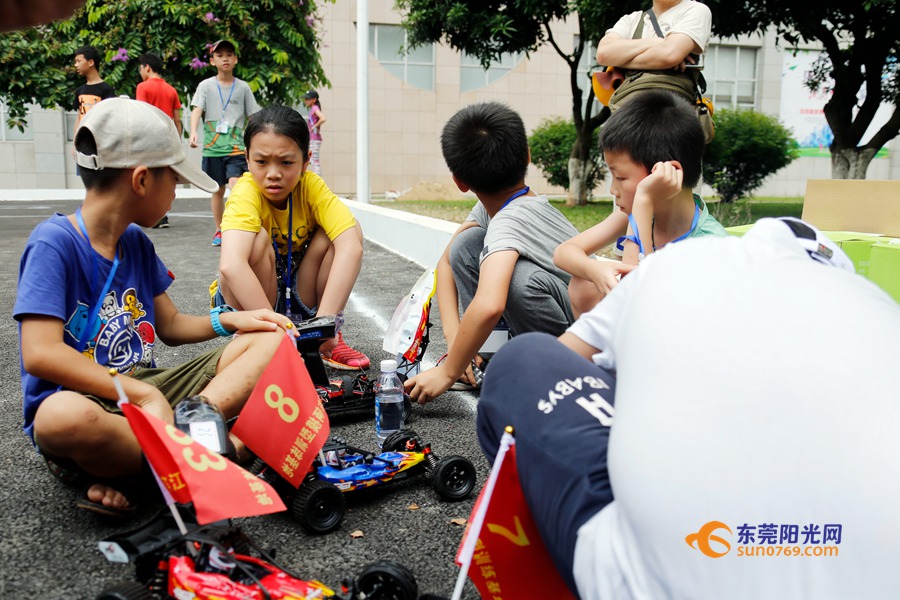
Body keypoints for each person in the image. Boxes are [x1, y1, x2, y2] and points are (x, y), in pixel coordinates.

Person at [477, 217, 900, 599]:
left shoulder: (678, 263)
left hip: (663, 576)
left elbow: (564, 359)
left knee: (524, 361)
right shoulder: (877, 310)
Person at [14, 98, 297, 518]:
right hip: (92, 403)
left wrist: (233, 319)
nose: (177, 193)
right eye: (176, 181)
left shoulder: (136, 244)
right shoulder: (53, 242)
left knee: (274, 341)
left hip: (148, 397)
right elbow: (40, 354)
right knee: (59, 418)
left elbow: (170, 324)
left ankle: (169, 456)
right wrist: (144, 394)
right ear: (142, 180)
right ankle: (210, 452)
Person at [404, 102, 580, 404]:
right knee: (466, 245)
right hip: (565, 308)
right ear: (527, 156)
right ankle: (492, 360)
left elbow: (489, 305)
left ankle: (550, 375)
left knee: (516, 282)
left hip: (583, 334)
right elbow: (446, 261)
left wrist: (447, 371)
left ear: (459, 181)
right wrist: (458, 343)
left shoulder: (509, 221)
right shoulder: (502, 205)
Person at [211, 105, 370, 370]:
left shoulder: (311, 186)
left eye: (286, 162)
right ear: (248, 159)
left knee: (347, 229)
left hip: (296, 291)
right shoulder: (244, 193)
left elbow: (351, 247)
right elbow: (231, 265)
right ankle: (256, 341)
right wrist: (279, 333)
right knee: (256, 240)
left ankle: (325, 339)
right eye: (262, 162)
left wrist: (325, 326)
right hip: (250, 301)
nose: (273, 173)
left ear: (306, 161)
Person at [554, 89, 726, 317]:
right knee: (584, 283)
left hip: (666, 336)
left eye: (621, 178)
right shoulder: (636, 213)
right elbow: (564, 252)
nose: (613, 190)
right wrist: (595, 270)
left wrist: (643, 201)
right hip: (632, 333)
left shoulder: (710, 244)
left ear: (665, 172)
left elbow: (636, 300)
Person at [189, 39, 261, 247]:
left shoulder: (243, 88)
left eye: (229, 54)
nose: (225, 58)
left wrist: (257, 141)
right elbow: (197, 110)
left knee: (235, 186)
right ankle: (220, 230)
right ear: (212, 61)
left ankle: (236, 226)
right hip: (212, 149)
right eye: (220, 55)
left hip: (237, 148)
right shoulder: (205, 86)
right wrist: (193, 132)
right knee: (217, 191)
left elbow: (253, 116)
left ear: (235, 59)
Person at [595, 0, 712, 109]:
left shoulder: (696, 10)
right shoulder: (631, 20)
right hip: (628, 107)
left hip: (675, 111)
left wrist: (621, 61)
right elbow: (603, 54)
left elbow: (669, 55)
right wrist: (655, 42)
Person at [136, 51, 183, 229]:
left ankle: (152, 215)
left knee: (149, 177)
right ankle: (164, 215)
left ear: (147, 67)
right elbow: (177, 120)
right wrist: (177, 141)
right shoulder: (171, 89)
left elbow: (142, 113)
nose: (140, 72)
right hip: (168, 139)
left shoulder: (143, 87)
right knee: (165, 177)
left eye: (141, 68)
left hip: (149, 137)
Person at [72, 46, 115, 159]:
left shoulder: (106, 89)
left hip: (100, 145)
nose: (76, 65)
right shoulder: (80, 91)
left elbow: (110, 119)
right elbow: (79, 117)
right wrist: (74, 142)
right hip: (82, 144)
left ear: (91, 62)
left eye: (79, 61)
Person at [303, 89, 326, 176]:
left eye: (308, 99)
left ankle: (318, 179)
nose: (306, 101)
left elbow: (323, 118)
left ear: (314, 100)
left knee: (314, 160)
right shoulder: (313, 109)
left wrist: (313, 127)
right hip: (313, 138)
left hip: (315, 138)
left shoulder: (315, 108)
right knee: (312, 160)